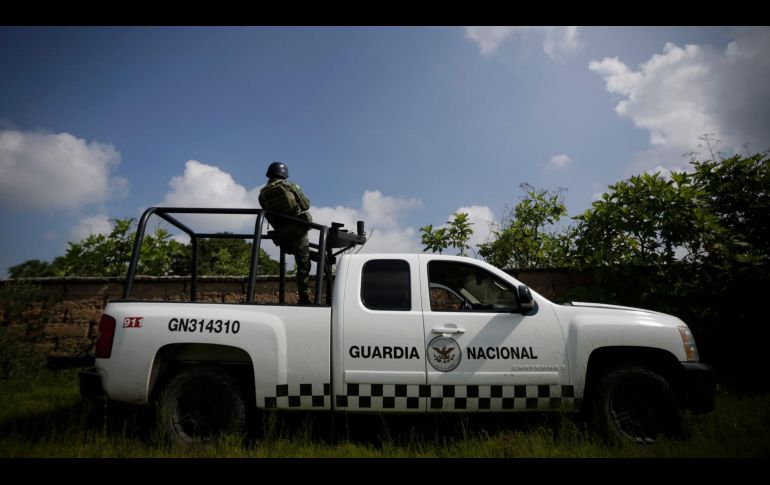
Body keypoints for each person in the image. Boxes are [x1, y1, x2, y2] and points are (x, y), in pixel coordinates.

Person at [258, 162, 313, 304]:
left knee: (300, 258)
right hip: (298, 231)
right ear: (283, 174)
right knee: (303, 266)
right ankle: (304, 298)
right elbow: (306, 204)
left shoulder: (262, 194)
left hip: (282, 235)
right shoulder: (290, 186)